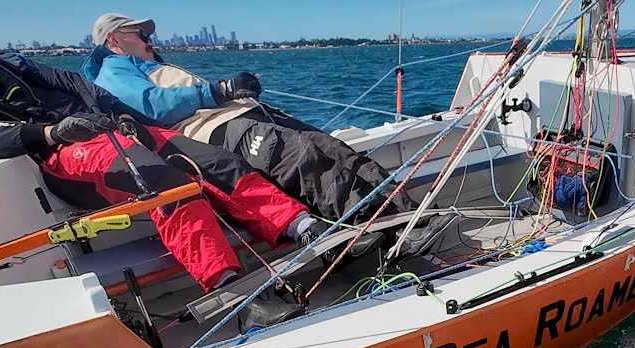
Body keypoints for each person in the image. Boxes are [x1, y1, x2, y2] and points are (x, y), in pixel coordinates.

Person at [0, 0, 330, 325]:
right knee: (162, 182)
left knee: (211, 160)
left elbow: (73, 83)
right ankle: (234, 297)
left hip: (110, 133)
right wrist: (50, 133)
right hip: (65, 157)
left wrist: (125, 117)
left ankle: (306, 229)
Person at [83, 13, 438, 259]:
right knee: (303, 159)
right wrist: (221, 89)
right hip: (217, 130)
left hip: (241, 116)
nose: (149, 40)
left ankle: (412, 217)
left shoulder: (148, 64)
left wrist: (233, 92)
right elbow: (152, 105)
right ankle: (386, 230)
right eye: (140, 34)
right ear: (113, 39)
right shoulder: (112, 71)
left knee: (334, 149)